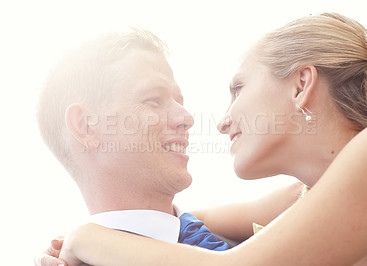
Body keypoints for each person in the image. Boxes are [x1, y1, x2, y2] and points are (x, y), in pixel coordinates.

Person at [51, 12, 367, 265]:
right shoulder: (305, 198)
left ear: (300, 85)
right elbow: (174, 222)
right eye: (153, 101)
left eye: (238, 89)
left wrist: (87, 237)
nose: (220, 121)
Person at [35, 29, 303, 265]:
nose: (187, 118)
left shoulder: (275, 222)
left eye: (179, 100)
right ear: (87, 127)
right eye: (153, 100)